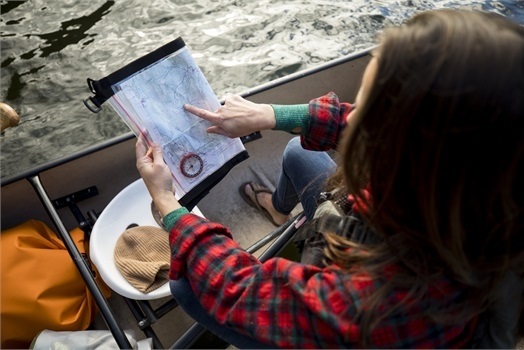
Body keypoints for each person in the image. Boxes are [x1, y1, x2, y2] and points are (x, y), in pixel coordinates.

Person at [135, 9, 524, 348]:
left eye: (368, 107)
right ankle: (277, 208)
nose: (352, 116)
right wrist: (274, 115)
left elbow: (247, 292)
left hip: (351, 319)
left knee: (189, 285)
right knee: (301, 152)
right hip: (379, 237)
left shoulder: (386, 303)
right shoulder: (480, 181)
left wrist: (169, 205)